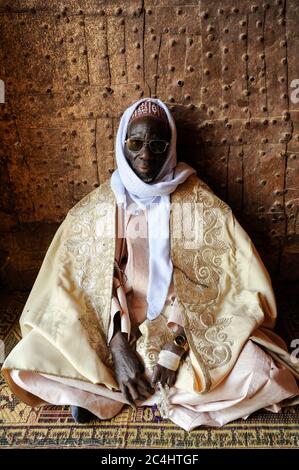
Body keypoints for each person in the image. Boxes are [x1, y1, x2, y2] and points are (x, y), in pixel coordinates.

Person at [2, 98, 299, 432]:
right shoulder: (102, 205)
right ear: (122, 145)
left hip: (183, 327)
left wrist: (177, 347)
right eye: (136, 143)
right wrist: (116, 344)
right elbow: (80, 281)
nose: (146, 155)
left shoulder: (196, 200)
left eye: (158, 145)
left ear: (170, 147)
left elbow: (226, 284)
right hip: (116, 324)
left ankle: (102, 393)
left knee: (262, 373)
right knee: (28, 362)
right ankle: (122, 387)